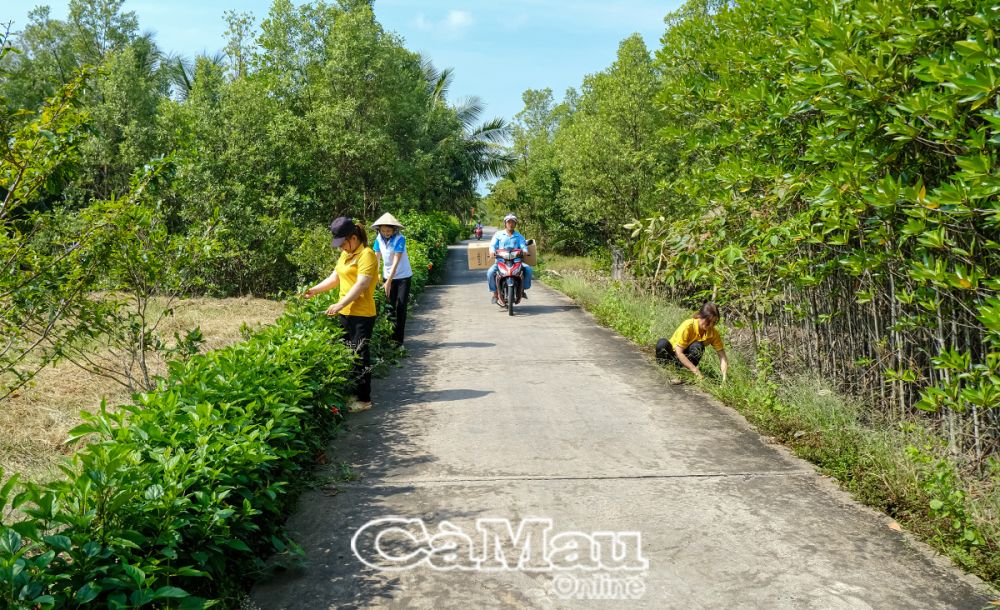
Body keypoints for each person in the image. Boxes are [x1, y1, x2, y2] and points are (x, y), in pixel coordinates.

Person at [304, 217, 378, 412]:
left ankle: (364, 400)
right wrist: (314, 290)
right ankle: (352, 393)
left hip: (361, 314)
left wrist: (340, 303)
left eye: (343, 243)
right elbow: (335, 277)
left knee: (359, 355)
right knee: (348, 354)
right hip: (345, 312)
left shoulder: (367, 255)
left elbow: (361, 284)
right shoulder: (346, 254)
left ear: (353, 238)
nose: (341, 248)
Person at [656, 303, 729, 384]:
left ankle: (683, 372)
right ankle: (665, 371)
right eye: (708, 321)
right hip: (673, 354)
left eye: (714, 322)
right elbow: (678, 352)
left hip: (685, 360)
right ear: (700, 316)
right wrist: (696, 371)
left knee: (698, 346)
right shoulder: (688, 326)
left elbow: (722, 356)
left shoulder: (713, 333)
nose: (710, 325)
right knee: (662, 343)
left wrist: (724, 379)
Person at [371, 212, 412, 345]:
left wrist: (389, 281)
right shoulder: (378, 239)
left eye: (388, 230)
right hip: (387, 276)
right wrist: (376, 275)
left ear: (394, 229)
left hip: (403, 277)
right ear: (379, 230)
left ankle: (398, 341)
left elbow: (396, 261)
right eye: (383, 230)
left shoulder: (400, 239)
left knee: (400, 307)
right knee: (389, 307)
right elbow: (376, 257)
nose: (386, 233)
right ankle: (389, 339)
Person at [487, 213, 532, 304]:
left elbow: (523, 246)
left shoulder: (519, 236)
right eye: (509, 222)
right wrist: (492, 252)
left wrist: (525, 251)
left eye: (513, 222)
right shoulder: (498, 234)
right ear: (505, 223)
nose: (510, 224)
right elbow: (492, 245)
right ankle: (495, 293)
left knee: (528, 269)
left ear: (515, 224)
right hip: (501, 261)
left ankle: (522, 289)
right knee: (490, 272)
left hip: (516, 261)